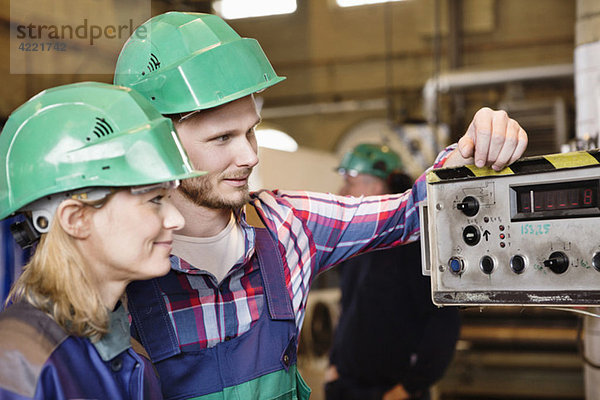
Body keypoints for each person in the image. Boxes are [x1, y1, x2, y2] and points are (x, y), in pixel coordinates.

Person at [114, 12, 528, 400]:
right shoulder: (115, 259)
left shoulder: (289, 226)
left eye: (250, 132)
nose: (249, 156)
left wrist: (475, 147)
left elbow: (411, 212)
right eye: (222, 138)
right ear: (158, 145)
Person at [0, 82, 204, 399]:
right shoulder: (18, 361)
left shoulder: (131, 358)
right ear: (76, 219)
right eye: (155, 199)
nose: (176, 219)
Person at [324, 144, 460, 400]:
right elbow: (348, 307)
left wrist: (410, 387)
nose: (342, 191)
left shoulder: (416, 244)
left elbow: (443, 322)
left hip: (392, 392)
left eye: (349, 182)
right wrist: (334, 365)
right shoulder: (356, 241)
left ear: (376, 186)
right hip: (345, 386)